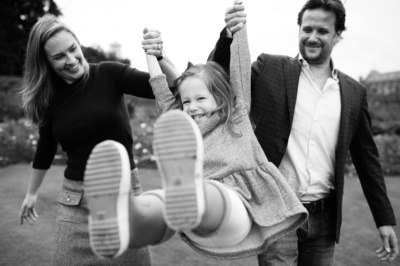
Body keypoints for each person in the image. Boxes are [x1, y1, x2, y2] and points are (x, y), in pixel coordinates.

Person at [83, 23, 308, 260]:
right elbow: (159, 86)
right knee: (161, 205)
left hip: (239, 208)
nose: (192, 106)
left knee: (203, 195)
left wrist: (238, 30)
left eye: (201, 98)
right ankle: (124, 225)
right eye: (186, 101)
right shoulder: (181, 122)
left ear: (220, 97)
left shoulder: (236, 115)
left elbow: (240, 67)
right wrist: (150, 54)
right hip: (193, 220)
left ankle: (191, 194)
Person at [210, 0, 399, 265]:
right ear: (298, 30)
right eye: (307, 29)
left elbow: (367, 160)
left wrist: (385, 219)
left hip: (324, 219)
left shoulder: (355, 93)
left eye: (322, 31)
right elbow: (219, 78)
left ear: (337, 36)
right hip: (278, 211)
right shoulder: (270, 68)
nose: (312, 37)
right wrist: (229, 35)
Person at [18, 14, 180, 265]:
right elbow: (46, 147)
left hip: (124, 198)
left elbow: (169, 87)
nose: (71, 60)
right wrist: (31, 193)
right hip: (75, 204)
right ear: (46, 63)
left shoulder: (109, 74)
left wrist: (159, 56)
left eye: (73, 49)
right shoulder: (49, 99)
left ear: (78, 44)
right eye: (59, 57)